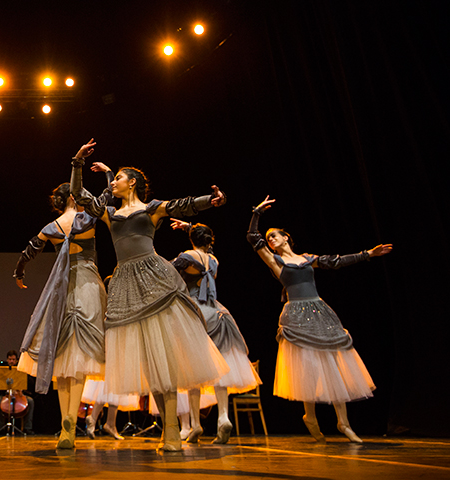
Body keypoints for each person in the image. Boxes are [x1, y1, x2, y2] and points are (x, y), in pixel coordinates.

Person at [70, 138, 229, 452]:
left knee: (164, 356)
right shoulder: (109, 214)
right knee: (148, 360)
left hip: (155, 278)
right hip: (126, 284)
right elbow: (79, 196)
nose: (112, 181)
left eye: (117, 178)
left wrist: (210, 202)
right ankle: (168, 430)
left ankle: (171, 432)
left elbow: (182, 204)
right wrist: (76, 163)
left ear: (133, 183)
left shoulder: (152, 209)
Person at [247, 196, 392, 443]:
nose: (271, 239)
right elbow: (253, 237)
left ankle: (343, 423)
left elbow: (336, 261)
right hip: (296, 315)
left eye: (275, 235)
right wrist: (256, 213)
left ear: (286, 238)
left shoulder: (307, 258)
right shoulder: (275, 261)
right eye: (269, 238)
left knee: (334, 365)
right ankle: (310, 416)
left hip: (320, 311)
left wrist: (367, 254)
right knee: (307, 368)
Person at [13, 160, 108, 449]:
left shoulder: (51, 227)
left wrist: (19, 273)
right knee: (80, 357)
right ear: (73, 197)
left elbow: (29, 251)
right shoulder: (89, 220)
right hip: (87, 284)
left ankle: (64, 422)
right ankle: (71, 420)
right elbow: (106, 200)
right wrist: (107, 175)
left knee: (62, 355)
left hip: (60, 289)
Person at [169, 220, 261, 444]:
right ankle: (222, 417)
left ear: (192, 240)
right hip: (217, 311)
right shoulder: (214, 260)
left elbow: (167, 271)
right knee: (220, 367)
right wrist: (191, 228)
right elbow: (205, 249)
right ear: (209, 241)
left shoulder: (187, 257)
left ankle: (196, 424)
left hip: (194, 312)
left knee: (193, 369)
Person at [0, 351, 35, 434]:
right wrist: (1, 374)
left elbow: (31, 381)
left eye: (13, 359)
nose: (11, 361)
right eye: (10, 359)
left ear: (16, 360)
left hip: (19, 395)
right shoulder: (3, 370)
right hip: (6, 396)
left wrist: (23, 375)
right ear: (7, 360)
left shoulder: (21, 369)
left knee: (30, 401)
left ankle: (27, 428)